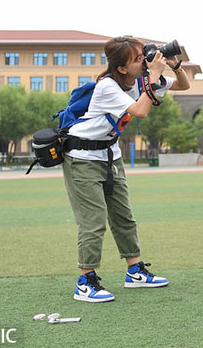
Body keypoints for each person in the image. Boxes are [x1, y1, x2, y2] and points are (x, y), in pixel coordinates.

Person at [63, 36, 190, 303]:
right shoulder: (107, 86)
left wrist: (175, 65)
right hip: (82, 157)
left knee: (124, 216)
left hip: (110, 155)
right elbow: (141, 110)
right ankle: (85, 282)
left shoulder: (140, 80)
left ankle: (134, 272)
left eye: (144, 54)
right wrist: (154, 74)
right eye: (138, 59)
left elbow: (184, 85)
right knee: (93, 221)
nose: (144, 60)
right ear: (122, 68)